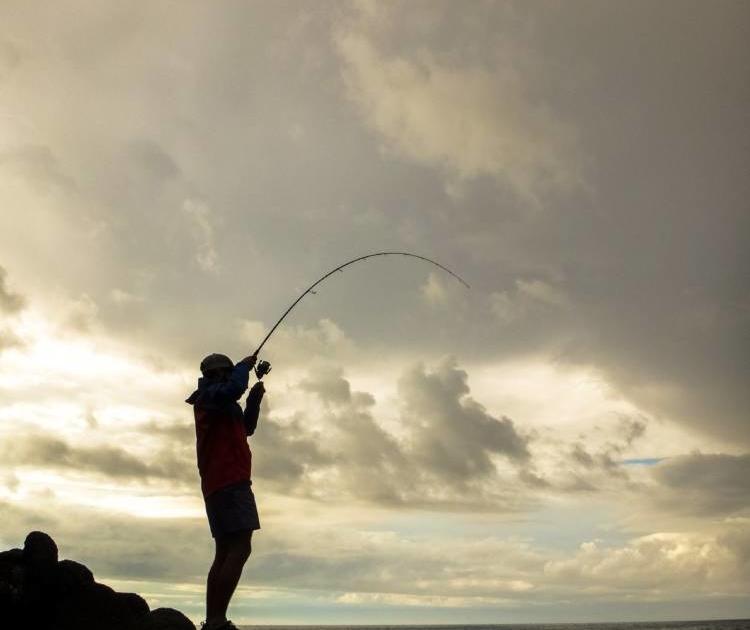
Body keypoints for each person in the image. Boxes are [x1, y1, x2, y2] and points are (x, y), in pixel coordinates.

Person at [186, 352, 266, 630]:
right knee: (240, 548)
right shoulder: (208, 397)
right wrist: (245, 367)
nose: (232, 376)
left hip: (221, 483)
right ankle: (217, 619)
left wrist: (255, 399)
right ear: (218, 374)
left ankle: (213, 620)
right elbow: (234, 387)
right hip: (229, 481)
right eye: (228, 371)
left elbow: (247, 428)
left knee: (224, 551)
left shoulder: (221, 403)